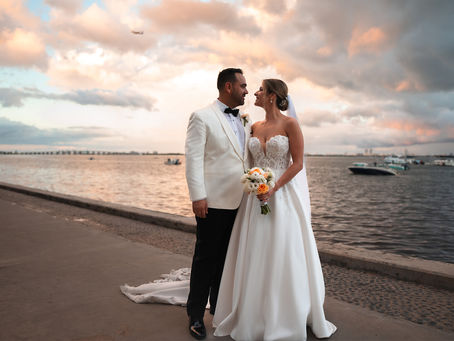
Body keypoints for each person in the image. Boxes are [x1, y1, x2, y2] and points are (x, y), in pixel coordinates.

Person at [212, 79, 337, 340]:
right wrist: (254, 184)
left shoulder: (290, 124)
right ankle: (252, 311)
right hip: (254, 199)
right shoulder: (253, 126)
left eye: (260, 89)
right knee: (255, 250)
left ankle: (286, 313)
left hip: (282, 195)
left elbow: (298, 163)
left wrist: (274, 187)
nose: (254, 93)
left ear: (272, 95)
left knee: (283, 249)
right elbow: (245, 160)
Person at [184, 68, 250, 339]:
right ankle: (195, 314)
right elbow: (193, 159)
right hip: (212, 202)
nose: (247, 90)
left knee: (226, 260)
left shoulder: (245, 120)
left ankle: (218, 308)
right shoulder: (202, 117)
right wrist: (198, 196)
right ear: (228, 86)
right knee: (205, 259)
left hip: (241, 201)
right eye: (243, 85)